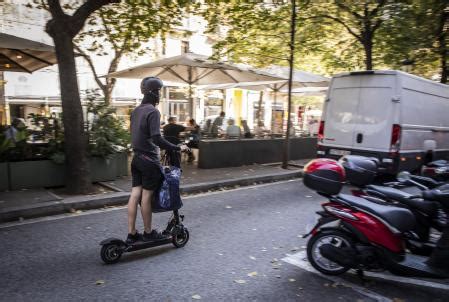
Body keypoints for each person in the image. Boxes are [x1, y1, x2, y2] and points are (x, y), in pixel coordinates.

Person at [127, 76, 189, 244]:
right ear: (153, 93)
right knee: (146, 196)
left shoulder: (136, 111)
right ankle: (148, 233)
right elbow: (156, 138)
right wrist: (177, 147)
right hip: (149, 160)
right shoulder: (153, 111)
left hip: (136, 159)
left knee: (135, 196)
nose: (159, 95)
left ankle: (131, 233)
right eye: (159, 91)